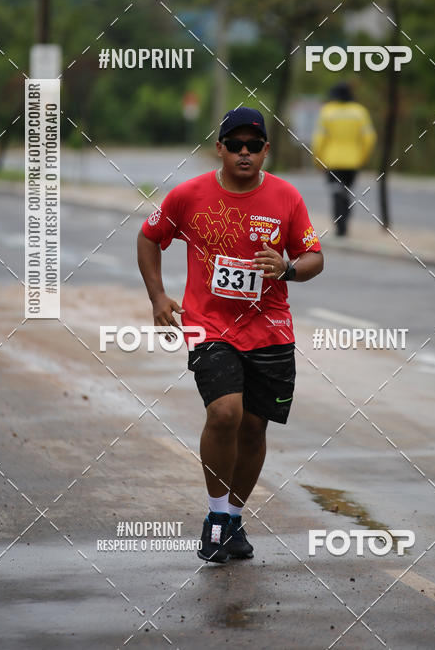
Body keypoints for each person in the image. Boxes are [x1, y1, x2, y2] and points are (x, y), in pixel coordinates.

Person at [137, 107, 324, 564]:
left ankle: (235, 517)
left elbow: (314, 257)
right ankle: (216, 518)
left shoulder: (287, 198)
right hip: (210, 325)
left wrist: (287, 268)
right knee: (225, 414)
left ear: (265, 151)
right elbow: (148, 237)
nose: (245, 152)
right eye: (235, 145)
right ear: (218, 148)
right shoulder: (188, 195)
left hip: (271, 329)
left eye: (253, 145)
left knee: (255, 427)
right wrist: (158, 297)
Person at [311, 82, 376, 237]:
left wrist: (317, 159)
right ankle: (345, 222)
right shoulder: (360, 112)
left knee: (336, 192)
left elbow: (319, 139)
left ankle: (340, 225)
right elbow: (369, 138)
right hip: (353, 161)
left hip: (332, 160)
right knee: (347, 191)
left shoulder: (327, 112)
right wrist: (363, 156)